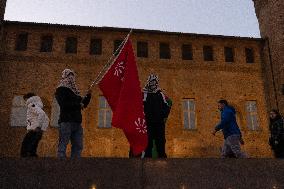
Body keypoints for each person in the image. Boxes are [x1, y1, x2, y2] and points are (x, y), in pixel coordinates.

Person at [55, 69, 91, 158]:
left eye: (72, 75)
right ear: (64, 76)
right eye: (69, 75)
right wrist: (78, 105)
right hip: (66, 120)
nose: (71, 78)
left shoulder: (75, 92)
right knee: (63, 143)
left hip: (77, 121)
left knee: (78, 145)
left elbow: (83, 104)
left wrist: (88, 95)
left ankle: (75, 163)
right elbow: (63, 104)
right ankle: (61, 162)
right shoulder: (61, 89)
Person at [143, 74, 171, 158]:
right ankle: (147, 159)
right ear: (149, 82)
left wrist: (162, 115)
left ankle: (162, 157)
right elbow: (140, 106)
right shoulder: (144, 94)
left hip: (159, 123)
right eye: (152, 82)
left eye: (155, 82)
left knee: (161, 141)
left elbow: (167, 105)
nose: (153, 84)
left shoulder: (161, 94)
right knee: (148, 141)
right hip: (148, 123)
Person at [20, 93, 49, 157]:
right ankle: (32, 158)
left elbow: (42, 114)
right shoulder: (38, 105)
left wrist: (38, 126)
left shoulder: (31, 105)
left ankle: (25, 160)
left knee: (26, 145)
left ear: (28, 98)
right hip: (36, 129)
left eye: (25, 99)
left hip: (34, 129)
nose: (24, 101)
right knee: (33, 145)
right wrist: (42, 128)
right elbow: (46, 118)